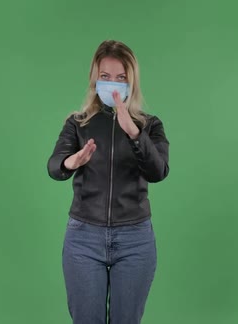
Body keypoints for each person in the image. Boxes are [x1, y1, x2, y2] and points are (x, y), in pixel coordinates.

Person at [47, 40, 170, 324]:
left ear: (132, 82)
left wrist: (134, 133)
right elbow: (54, 165)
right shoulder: (77, 123)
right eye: (105, 76)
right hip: (83, 239)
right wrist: (71, 162)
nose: (112, 84)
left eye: (121, 78)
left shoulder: (151, 126)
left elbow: (158, 171)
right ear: (94, 79)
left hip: (135, 239)